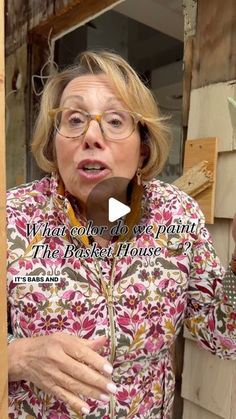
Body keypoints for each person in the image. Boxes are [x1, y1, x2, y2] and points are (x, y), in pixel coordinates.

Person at [7, 50, 236, 419]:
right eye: (75, 119)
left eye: (114, 121)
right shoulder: (12, 217)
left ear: (143, 147)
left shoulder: (176, 214)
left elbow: (225, 337)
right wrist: (15, 356)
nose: (92, 136)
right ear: (53, 143)